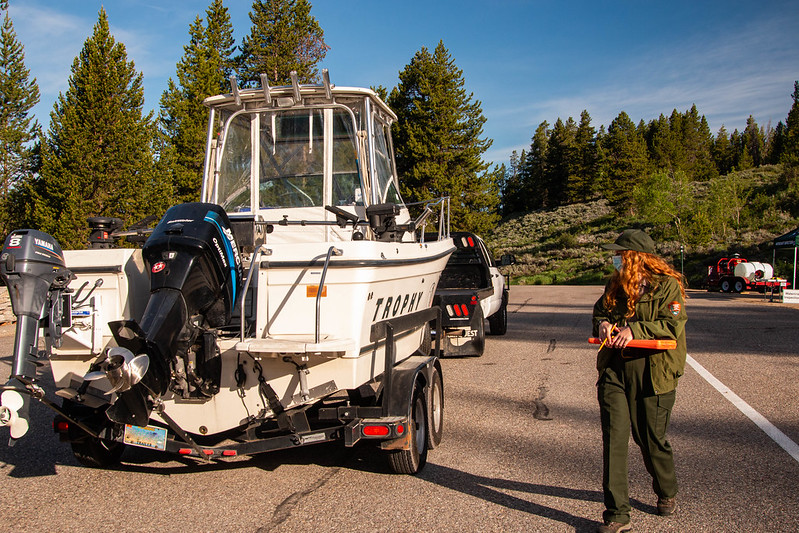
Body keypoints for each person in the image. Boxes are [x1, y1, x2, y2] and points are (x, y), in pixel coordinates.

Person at [592, 229, 687, 533]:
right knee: (614, 441)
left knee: (650, 439)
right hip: (615, 371)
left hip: (653, 373)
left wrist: (635, 331)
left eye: (619, 254)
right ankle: (617, 514)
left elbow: (672, 326)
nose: (615, 259)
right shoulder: (614, 285)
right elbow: (599, 312)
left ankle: (666, 490)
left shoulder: (667, 288)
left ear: (634, 257)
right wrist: (604, 324)